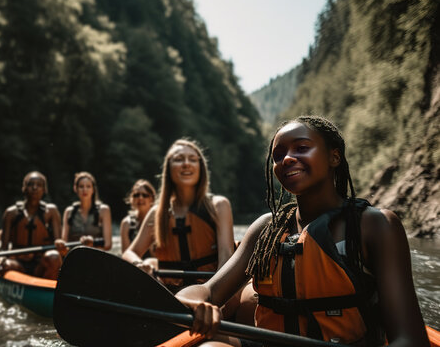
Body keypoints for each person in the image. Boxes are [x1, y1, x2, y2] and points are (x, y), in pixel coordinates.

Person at [175, 116, 429, 346]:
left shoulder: (375, 226)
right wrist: (190, 301)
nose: (286, 158)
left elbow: (410, 338)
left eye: (302, 148)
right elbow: (208, 291)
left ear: (334, 157)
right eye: (278, 154)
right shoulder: (267, 228)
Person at [122, 138, 236, 292]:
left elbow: (226, 256)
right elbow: (130, 252)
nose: (186, 163)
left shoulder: (218, 206)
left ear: (200, 167)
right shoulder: (157, 213)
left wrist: (211, 294)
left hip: (209, 291)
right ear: (168, 169)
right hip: (168, 294)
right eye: (179, 159)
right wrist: (138, 264)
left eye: (193, 159)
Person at [0, 171, 63, 280]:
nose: (34, 188)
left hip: (40, 264)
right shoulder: (10, 213)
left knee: (54, 257)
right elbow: (3, 248)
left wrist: (62, 247)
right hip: (18, 263)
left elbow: (58, 246)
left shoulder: (51, 212)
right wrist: (2, 259)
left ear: (44, 190)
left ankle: (46, 288)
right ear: (24, 188)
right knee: (5, 266)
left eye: (39, 185)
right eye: (30, 184)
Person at [56, 172, 112, 252]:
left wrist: (92, 243)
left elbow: (108, 245)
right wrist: (60, 245)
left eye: (88, 186)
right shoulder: (69, 212)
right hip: (74, 256)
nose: (84, 190)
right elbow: (64, 243)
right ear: (75, 189)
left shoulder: (104, 210)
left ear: (93, 189)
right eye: (81, 186)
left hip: (96, 255)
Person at [119, 179, 156, 253]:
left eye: (145, 195)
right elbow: (125, 256)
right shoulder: (126, 223)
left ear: (151, 199)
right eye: (136, 195)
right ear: (132, 199)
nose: (140, 198)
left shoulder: (158, 221)